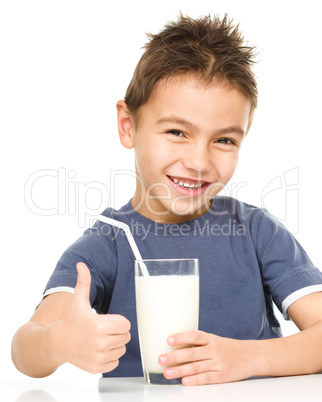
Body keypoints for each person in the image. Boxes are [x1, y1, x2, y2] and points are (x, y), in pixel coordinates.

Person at [11, 13, 322, 386]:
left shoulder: (255, 231)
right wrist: (57, 342)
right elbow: (24, 350)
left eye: (224, 140)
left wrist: (247, 358)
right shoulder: (107, 243)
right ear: (129, 125)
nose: (199, 162)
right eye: (177, 131)